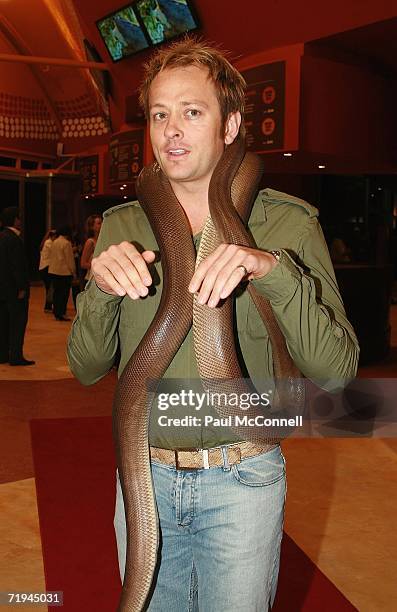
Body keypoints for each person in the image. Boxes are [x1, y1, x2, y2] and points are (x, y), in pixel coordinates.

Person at [67, 38, 359, 610]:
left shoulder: (287, 224)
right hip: (143, 477)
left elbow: (337, 371)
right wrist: (100, 289)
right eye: (159, 114)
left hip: (243, 479)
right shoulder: (123, 225)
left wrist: (271, 270)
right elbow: (85, 368)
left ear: (230, 126)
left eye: (191, 112)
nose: (171, 130)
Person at [0, 206, 35, 366]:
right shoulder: (14, 239)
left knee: (4, 322)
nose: (21, 221)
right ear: (15, 219)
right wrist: (22, 288)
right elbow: (17, 267)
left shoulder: (2, 236)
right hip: (14, 291)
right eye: (19, 218)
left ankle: (3, 354)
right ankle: (15, 356)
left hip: (3, 290)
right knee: (17, 322)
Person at [48, 225, 75, 322]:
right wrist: (73, 272)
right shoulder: (66, 243)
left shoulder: (54, 242)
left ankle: (56, 312)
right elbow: (69, 259)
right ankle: (61, 313)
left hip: (53, 271)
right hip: (64, 272)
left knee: (56, 293)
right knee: (63, 294)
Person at [80, 214, 102, 288]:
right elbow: (83, 263)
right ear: (92, 227)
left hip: (101, 278)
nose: (102, 225)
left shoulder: (102, 240)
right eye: (99, 223)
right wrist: (99, 267)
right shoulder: (90, 242)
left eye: (102, 222)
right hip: (91, 279)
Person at [39, 229, 57, 311]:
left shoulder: (45, 243)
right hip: (46, 268)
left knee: (48, 288)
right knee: (50, 288)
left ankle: (48, 306)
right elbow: (55, 252)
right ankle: (48, 306)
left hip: (43, 268)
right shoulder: (49, 243)